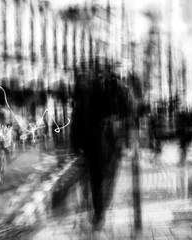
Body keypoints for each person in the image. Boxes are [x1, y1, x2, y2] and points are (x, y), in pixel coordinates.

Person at [71, 64, 133, 229]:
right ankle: (98, 210)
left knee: (98, 179)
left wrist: (75, 144)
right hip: (97, 143)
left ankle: (98, 210)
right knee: (98, 179)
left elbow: (77, 119)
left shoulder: (109, 92)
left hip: (99, 142)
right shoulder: (90, 94)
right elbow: (77, 118)